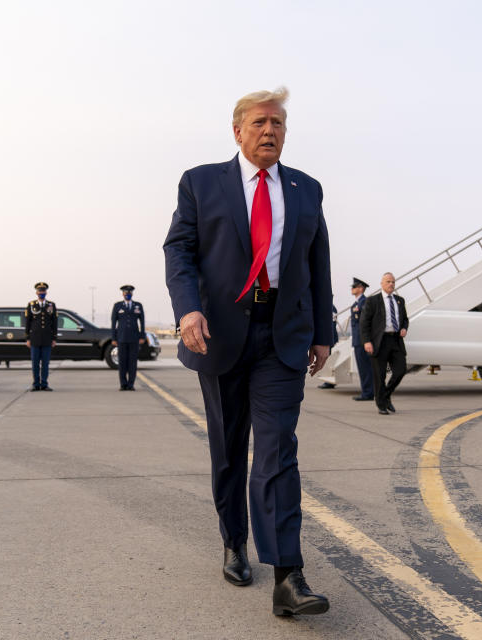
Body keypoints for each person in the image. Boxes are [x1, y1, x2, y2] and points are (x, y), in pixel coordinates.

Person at [163, 88, 332, 617]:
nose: (270, 131)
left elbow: (318, 263)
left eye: (278, 124)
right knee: (230, 448)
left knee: (279, 450)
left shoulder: (306, 189)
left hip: (281, 336)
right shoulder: (200, 182)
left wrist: (323, 331)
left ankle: (288, 576)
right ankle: (235, 541)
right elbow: (180, 251)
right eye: (260, 122)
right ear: (237, 130)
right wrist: (188, 310)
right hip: (220, 332)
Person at [360, 272, 409, 415]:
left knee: (401, 370)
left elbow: (405, 319)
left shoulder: (400, 300)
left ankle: (385, 396)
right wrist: (367, 341)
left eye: (393, 282)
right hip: (378, 342)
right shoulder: (373, 301)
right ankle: (381, 404)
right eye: (388, 281)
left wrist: (404, 328)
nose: (391, 284)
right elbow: (364, 323)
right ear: (381, 284)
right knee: (379, 375)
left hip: (396, 341)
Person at [110, 284, 146, 391]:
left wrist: (142, 336)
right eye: (126, 293)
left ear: (132, 294)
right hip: (121, 338)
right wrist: (113, 338)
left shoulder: (138, 305)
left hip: (134, 339)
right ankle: (123, 384)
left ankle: (131, 384)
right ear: (123, 294)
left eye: (129, 293)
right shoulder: (117, 306)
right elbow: (113, 323)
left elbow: (142, 322)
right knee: (122, 362)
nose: (128, 294)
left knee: (132, 362)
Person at [25, 282, 57, 391]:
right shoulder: (31, 305)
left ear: (46, 292)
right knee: (35, 363)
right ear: (36, 292)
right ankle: (35, 384)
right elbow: (27, 322)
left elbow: (54, 322)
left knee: (45, 363)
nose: (41, 293)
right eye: (40, 291)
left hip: (47, 339)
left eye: (43, 291)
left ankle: (44, 384)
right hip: (34, 339)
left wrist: (54, 338)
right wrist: (27, 338)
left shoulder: (51, 305)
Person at [349, 277, 374, 401]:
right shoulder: (356, 304)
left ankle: (368, 393)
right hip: (357, 341)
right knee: (362, 367)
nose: (352, 289)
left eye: (354, 287)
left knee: (365, 368)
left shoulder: (365, 302)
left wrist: (366, 340)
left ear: (361, 288)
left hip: (362, 341)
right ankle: (367, 391)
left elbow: (366, 323)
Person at [316, 303, 338, 389]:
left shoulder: (331, 308)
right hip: (328, 338)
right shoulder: (328, 307)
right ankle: (328, 381)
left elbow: (331, 324)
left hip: (329, 339)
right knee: (327, 361)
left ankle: (329, 382)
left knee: (328, 361)